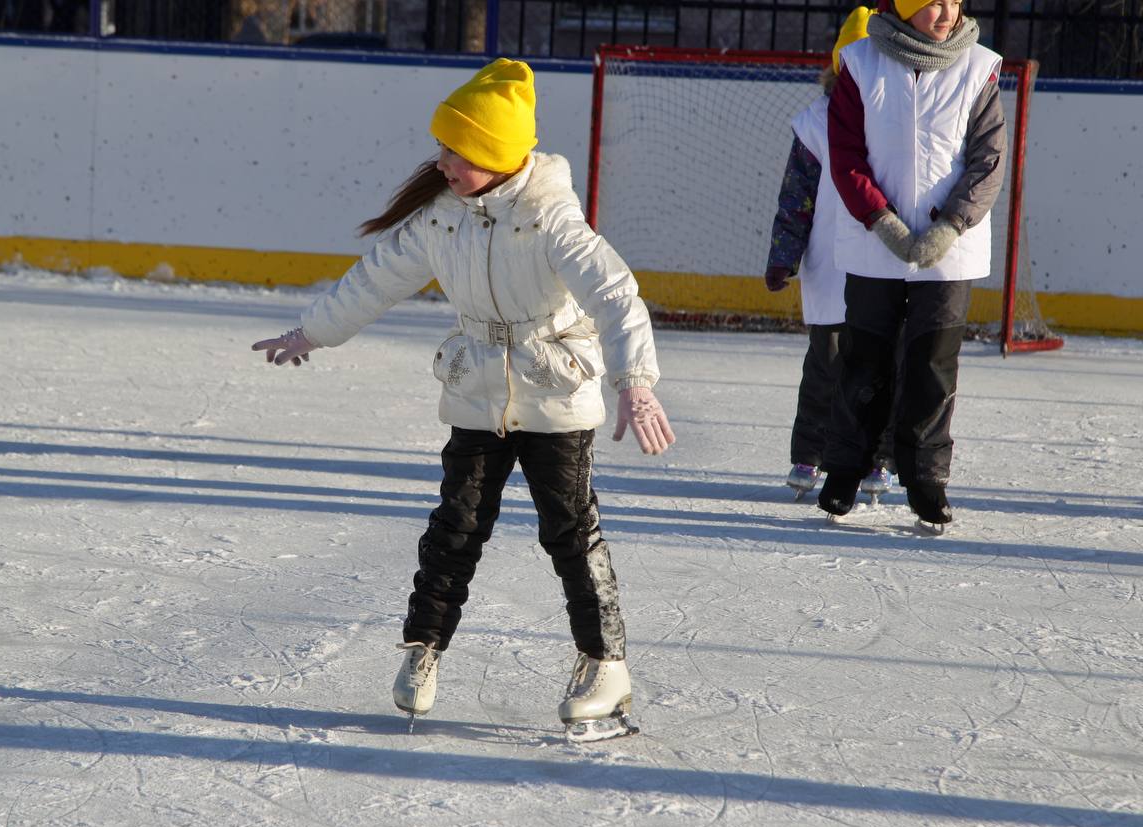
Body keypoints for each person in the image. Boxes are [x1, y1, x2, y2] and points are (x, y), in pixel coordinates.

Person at [251, 58, 675, 740]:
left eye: (459, 150)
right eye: (444, 146)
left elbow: (615, 296)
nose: (443, 161)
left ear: (497, 156)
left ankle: (606, 663)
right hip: (478, 387)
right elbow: (376, 279)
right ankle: (423, 651)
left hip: (555, 390)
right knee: (455, 527)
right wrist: (313, 333)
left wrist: (636, 383)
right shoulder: (442, 220)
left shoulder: (551, 220)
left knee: (568, 531)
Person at [817, 0, 1006, 528]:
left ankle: (925, 480)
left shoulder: (979, 67)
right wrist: (883, 222)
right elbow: (846, 153)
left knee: (932, 368)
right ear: (902, 7)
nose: (947, 12)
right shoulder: (859, 62)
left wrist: (949, 226)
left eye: (954, 1)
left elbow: (988, 159)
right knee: (864, 361)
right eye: (932, 3)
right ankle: (845, 472)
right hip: (875, 241)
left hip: (951, 250)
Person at [765, 5, 896, 504]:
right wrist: (784, 255)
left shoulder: (896, 119)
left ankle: (875, 460)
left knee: (882, 365)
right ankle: (809, 454)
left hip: (884, 260)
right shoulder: (816, 125)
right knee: (828, 363)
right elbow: (796, 199)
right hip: (830, 264)